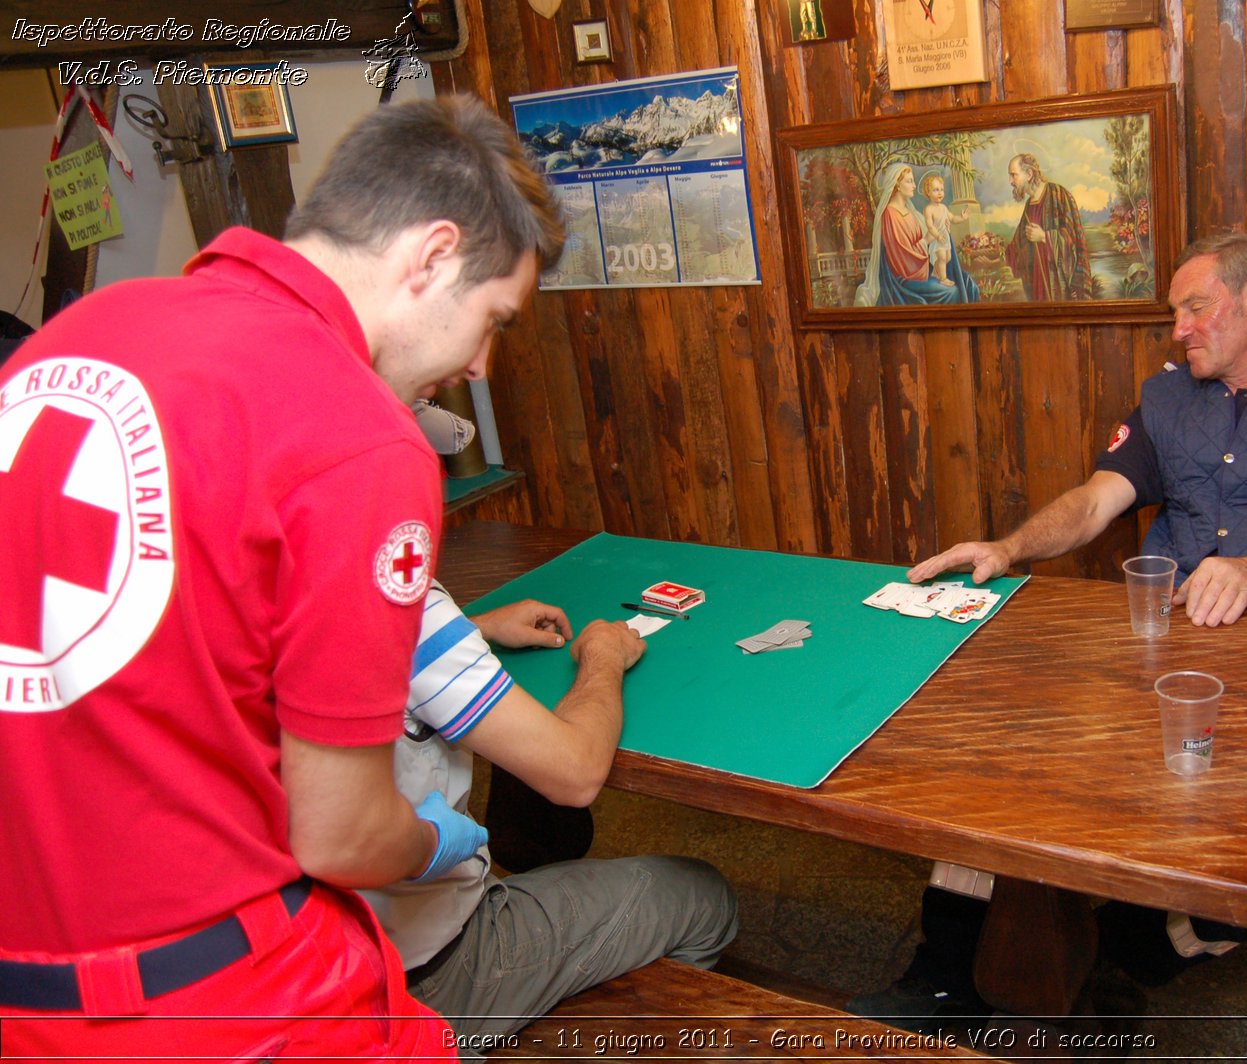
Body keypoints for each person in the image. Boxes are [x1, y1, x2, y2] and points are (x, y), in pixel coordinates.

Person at [0, 96, 559, 1058]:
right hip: (218, 992)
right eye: (491, 319)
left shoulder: (81, 330)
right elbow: (339, 838)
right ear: (430, 257)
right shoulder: (360, 436)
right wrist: (433, 841)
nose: (478, 364)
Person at [851, 230, 1247, 1024]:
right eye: (1173, 314)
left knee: (1237, 878)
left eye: (1196, 308)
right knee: (1010, 771)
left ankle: (1104, 952)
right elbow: (1094, 499)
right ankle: (943, 970)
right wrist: (1009, 546)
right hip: (1157, 642)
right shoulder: (1167, 396)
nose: (1180, 328)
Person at [364, 421, 737, 1051]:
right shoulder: (393, 590)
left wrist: (471, 629)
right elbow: (574, 775)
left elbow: (378, 657)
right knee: (705, 897)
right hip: (420, 977)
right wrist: (603, 657)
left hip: (308, 961)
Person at [855, 163, 979, 306]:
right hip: (906, 278)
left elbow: (927, 241)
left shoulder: (910, 212)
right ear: (897, 185)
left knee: (965, 282)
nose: (914, 186)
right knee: (952, 292)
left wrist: (944, 232)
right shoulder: (890, 214)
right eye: (909, 181)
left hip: (922, 268)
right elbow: (903, 257)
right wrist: (930, 238)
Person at [1004, 152, 1093, 301]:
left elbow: (1074, 239)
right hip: (1037, 286)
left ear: (1029, 174)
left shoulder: (1059, 195)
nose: (1010, 181)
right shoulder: (1029, 205)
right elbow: (1018, 244)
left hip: (1059, 285)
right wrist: (998, 256)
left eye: (1014, 175)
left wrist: (1044, 237)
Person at [920, 172, 971, 287]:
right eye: (936, 190)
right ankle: (943, 278)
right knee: (942, 257)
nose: (940, 193)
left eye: (941, 189)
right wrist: (937, 236)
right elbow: (930, 226)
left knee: (947, 258)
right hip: (937, 238)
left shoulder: (943, 208)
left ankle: (936, 272)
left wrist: (962, 217)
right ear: (928, 193)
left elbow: (952, 218)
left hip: (945, 238)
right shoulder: (928, 209)